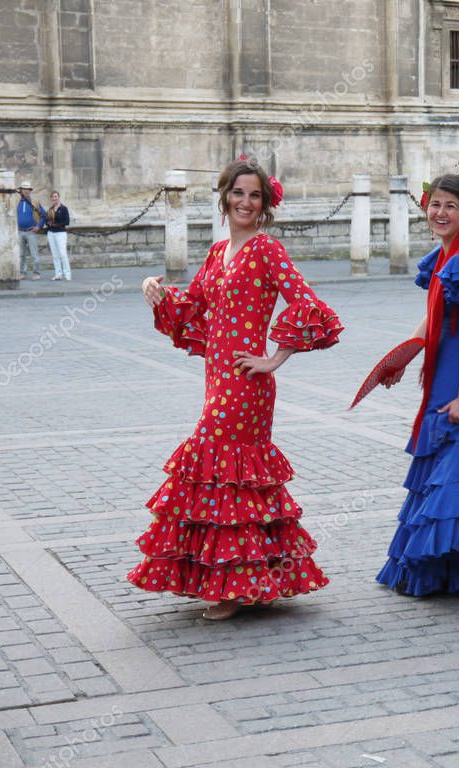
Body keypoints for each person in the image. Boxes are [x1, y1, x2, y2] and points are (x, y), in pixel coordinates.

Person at [128, 157, 343, 620]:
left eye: (255, 195)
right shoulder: (216, 252)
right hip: (216, 376)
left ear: (265, 205)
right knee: (231, 478)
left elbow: (306, 302)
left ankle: (231, 586)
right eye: (238, 193)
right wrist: (157, 291)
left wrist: (273, 359)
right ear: (225, 197)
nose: (245, 202)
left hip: (248, 383)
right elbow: (194, 302)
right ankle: (247, 577)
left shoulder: (267, 250)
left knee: (223, 467)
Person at [376, 174, 459, 598]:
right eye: (435, 204)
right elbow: (432, 318)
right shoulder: (444, 255)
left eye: (451, 206)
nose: (441, 212)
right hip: (442, 370)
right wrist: (404, 356)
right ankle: (448, 566)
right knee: (442, 475)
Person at [16, 183, 45, 280]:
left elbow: (43, 215)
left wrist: (39, 226)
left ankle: (36, 273)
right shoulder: (17, 202)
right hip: (20, 232)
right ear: (21, 190)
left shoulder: (34, 202)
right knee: (21, 254)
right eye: (24, 189)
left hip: (31, 231)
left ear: (30, 190)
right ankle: (22, 272)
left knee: (34, 254)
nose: (26, 190)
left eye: (28, 189)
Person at [46, 191, 71, 281]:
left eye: (56, 196)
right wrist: (48, 223)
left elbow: (67, 221)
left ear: (59, 197)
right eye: (52, 197)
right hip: (51, 233)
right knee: (55, 255)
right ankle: (58, 274)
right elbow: (47, 220)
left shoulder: (64, 208)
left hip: (60, 233)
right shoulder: (50, 209)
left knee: (62, 254)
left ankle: (67, 274)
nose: (54, 198)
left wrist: (56, 224)